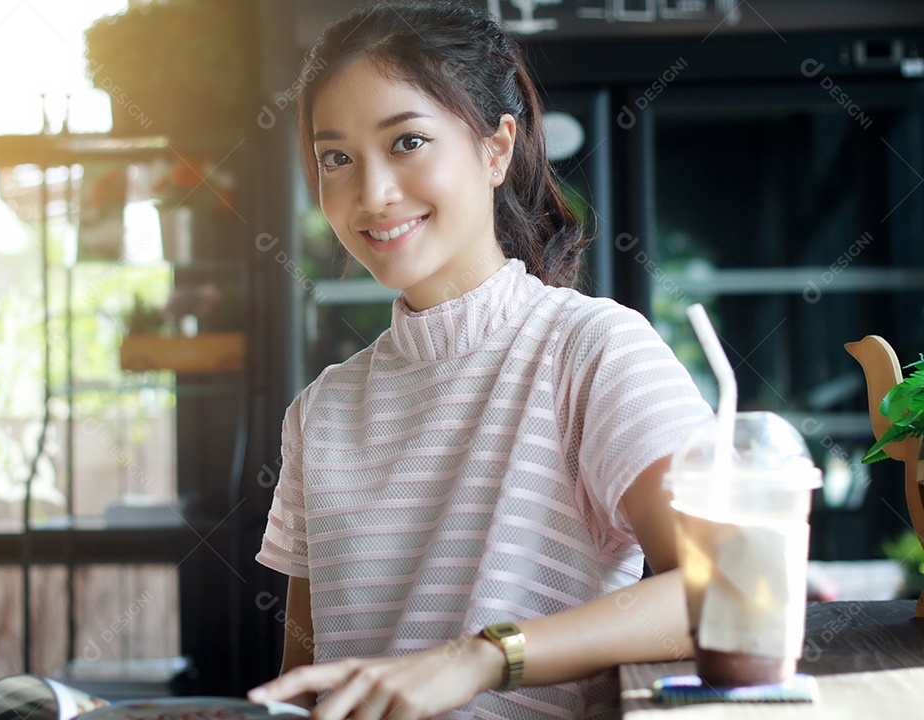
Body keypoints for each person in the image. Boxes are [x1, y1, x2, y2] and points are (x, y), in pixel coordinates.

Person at [249, 3, 712, 718]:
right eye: (336, 157)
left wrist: (482, 656)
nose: (371, 194)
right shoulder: (320, 413)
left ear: (497, 149)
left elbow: (725, 589)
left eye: (406, 141)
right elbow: (305, 683)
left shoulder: (590, 350)